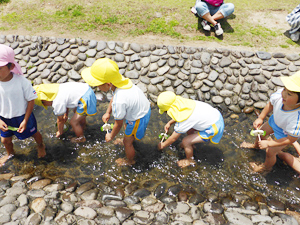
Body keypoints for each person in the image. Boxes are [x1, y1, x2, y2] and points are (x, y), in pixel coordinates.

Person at [81, 58, 151, 166]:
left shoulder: (120, 100)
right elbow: (114, 97)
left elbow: (118, 124)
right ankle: (128, 137)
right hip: (139, 109)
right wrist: (108, 112)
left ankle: (130, 161)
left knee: (128, 143)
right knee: (127, 130)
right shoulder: (120, 82)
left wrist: (111, 136)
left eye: (98, 85)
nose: (98, 88)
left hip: (139, 117)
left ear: (108, 84)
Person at [240, 71, 300, 174]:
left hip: (285, 133)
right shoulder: (280, 96)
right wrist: (261, 118)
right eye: (285, 89)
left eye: (289, 94)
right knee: (261, 132)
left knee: (270, 152)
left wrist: (269, 143)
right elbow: (271, 104)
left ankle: (266, 167)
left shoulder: (296, 119)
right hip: (274, 122)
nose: (283, 94)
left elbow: (291, 139)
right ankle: (256, 146)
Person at [0, 44, 46, 166]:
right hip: (3, 117)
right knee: (5, 139)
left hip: (22, 115)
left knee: (34, 133)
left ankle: (41, 145)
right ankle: (10, 154)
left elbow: (31, 100)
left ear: (11, 66)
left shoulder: (21, 82)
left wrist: (25, 120)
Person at [157, 91, 224, 168]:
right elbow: (183, 114)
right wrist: (170, 122)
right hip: (216, 116)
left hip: (213, 129)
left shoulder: (183, 122)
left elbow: (173, 138)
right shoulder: (188, 104)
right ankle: (192, 144)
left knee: (185, 141)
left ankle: (190, 160)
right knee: (190, 128)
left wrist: (162, 145)